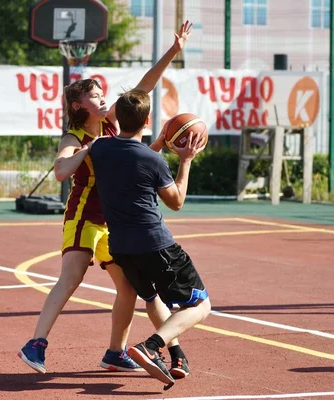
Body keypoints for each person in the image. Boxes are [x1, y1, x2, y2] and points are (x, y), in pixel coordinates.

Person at [18, 21, 195, 374]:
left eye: (103, 95)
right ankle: (35, 343)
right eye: (95, 96)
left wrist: (173, 52)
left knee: (128, 288)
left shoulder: (113, 123)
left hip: (112, 224)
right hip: (83, 217)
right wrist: (89, 148)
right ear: (78, 105)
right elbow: (60, 171)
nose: (103, 99)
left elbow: (144, 87)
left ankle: (115, 352)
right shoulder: (75, 136)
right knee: (71, 277)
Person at [89, 89, 211, 390]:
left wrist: (160, 143)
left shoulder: (100, 148)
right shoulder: (154, 162)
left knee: (152, 298)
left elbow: (133, 156)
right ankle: (152, 346)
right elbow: (176, 201)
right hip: (156, 244)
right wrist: (186, 160)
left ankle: (177, 355)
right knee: (201, 306)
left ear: (118, 115)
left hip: (121, 246)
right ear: (147, 120)